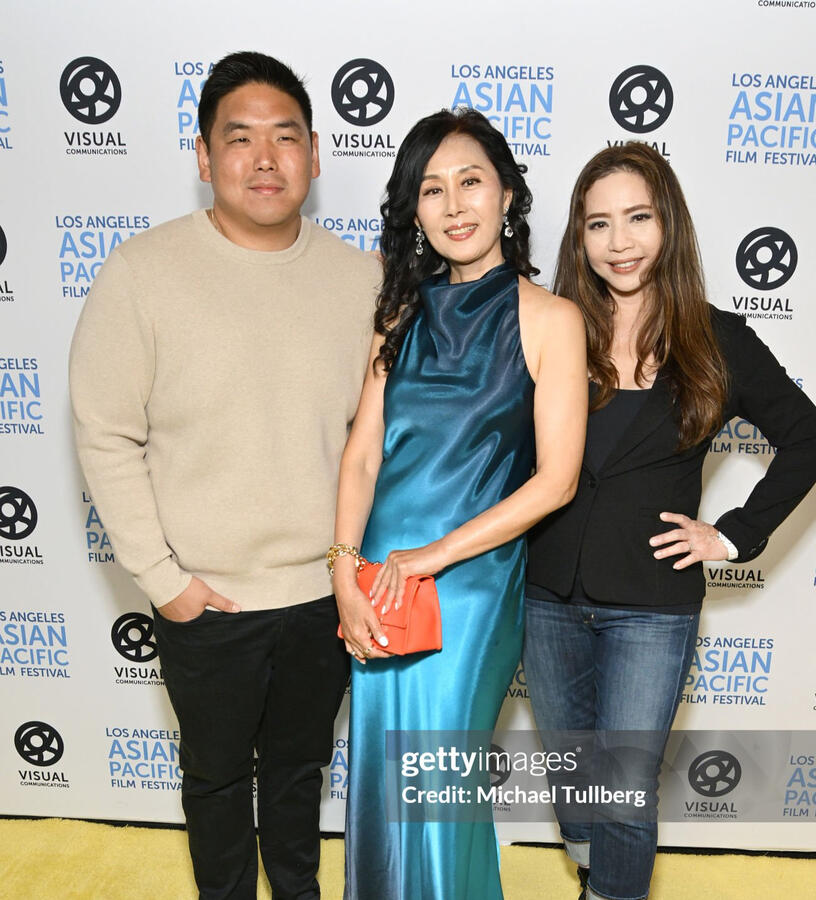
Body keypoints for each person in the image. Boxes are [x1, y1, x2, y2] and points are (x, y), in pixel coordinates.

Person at [69, 51, 380, 899]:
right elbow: (104, 434)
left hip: (321, 595)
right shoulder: (141, 274)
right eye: (240, 139)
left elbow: (378, 443)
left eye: (286, 137)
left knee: (297, 774)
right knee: (213, 782)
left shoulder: (365, 282)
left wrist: (352, 573)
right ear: (205, 158)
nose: (266, 157)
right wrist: (166, 583)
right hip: (207, 600)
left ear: (315, 154)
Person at [524, 142, 816, 900]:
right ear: (578, 237)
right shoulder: (552, 325)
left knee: (625, 794)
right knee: (576, 790)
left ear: (671, 224)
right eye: (599, 225)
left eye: (638, 218)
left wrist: (729, 534)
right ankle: (591, 864)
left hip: (652, 605)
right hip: (546, 595)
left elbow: (810, 440)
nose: (619, 242)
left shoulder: (718, 338)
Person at [331, 108, 588, 899]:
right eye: (431, 190)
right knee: (382, 779)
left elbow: (557, 481)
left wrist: (430, 560)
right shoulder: (398, 318)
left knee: (439, 787)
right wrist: (346, 571)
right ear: (414, 212)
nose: (454, 205)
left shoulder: (549, 319)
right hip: (377, 581)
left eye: (470, 181)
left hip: (469, 587)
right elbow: (363, 455)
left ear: (506, 193)